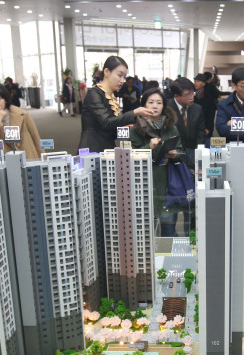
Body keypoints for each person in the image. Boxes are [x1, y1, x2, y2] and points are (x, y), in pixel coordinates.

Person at [129, 88, 186, 237]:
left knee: (168, 231)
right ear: (144, 105)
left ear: (164, 106)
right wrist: (149, 147)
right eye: (151, 102)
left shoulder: (171, 127)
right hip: (145, 187)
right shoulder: (135, 131)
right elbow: (130, 158)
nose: (155, 106)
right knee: (147, 234)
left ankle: (169, 260)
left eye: (159, 103)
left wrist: (175, 154)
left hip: (168, 186)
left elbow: (181, 151)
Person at [80, 56, 153, 153]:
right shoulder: (94, 93)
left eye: (124, 77)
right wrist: (134, 112)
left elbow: (109, 128)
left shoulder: (111, 96)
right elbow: (106, 122)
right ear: (106, 72)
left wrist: (121, 129)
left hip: (106, 147)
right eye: (119, 75)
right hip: (92, 148)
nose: (123, 80)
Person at [0, 82, 43, 159]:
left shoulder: (22, 114)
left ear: (5, 99)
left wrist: (44, 160)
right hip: (7, 163)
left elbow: (36, 138)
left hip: (28, 158)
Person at [168, 77, 206, 170]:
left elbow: (201, 134)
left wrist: (195, 155)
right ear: (176, 96)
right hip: (173, 159)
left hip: (194, 156)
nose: (192, 97)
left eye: (192, 93)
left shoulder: (197, 109)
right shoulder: (167, 109)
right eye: (187, 95)